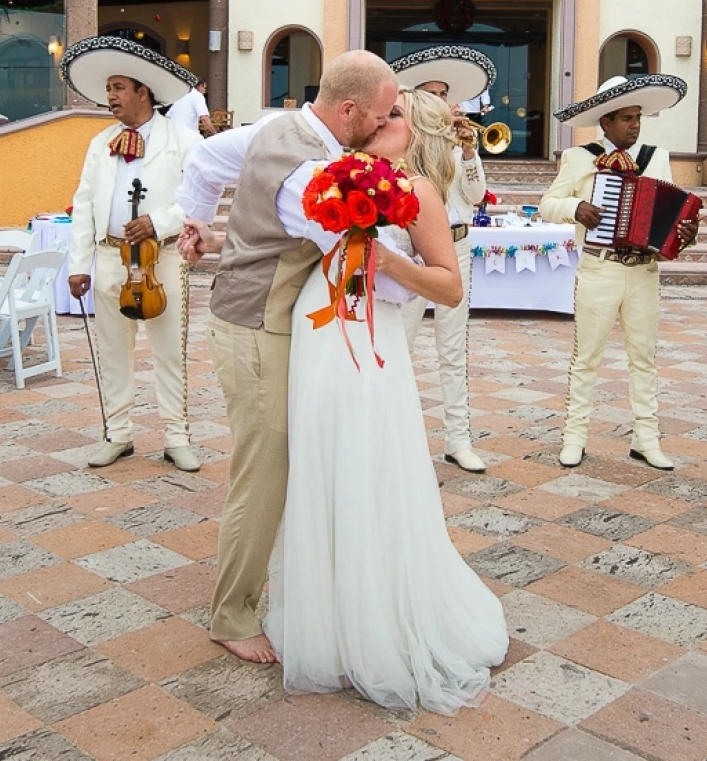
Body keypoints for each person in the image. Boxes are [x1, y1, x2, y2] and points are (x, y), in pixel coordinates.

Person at [266, 85, 508, 712]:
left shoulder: (418, 194)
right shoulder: (331, 175)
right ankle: (328, 618)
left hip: (370, 351)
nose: (380, 121)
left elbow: (450, 288)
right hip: (317, 331)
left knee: (367, 469)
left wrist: (382, 258)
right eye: (378, 111)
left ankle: (379, 622)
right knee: (319, 465)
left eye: (394, 115)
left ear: (418, 132)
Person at [206, 49, 397, 665]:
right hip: (255, 322)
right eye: (382, 116)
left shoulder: (288, 129)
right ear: (348, 111)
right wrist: (430, 275)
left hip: (263, 320)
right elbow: (348, 251)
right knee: (264, 471)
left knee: (275, 463)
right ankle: (231, 614)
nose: (385, 127)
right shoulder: (305, 171)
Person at [539, 74, 698, 471]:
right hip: (599, 267)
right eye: (626, 118)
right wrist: (575, 209)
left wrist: (683, 233)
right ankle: (574, 437)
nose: (635, 125)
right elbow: (547, 203)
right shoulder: (579, 157)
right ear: (605, 122)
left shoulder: (656, 157)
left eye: (638, 117)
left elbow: (670, 212)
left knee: (644, 358)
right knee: (586, 357)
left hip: (644, 271)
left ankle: (647, 438)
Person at [62, 37, 203, 471]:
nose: (111, 97)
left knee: (168, 352)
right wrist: (77, 264)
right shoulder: (100, 141)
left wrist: (158, 222)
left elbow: (197, 200)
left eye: (119, 87)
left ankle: (176, 436)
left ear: (143, 92)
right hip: (109, 258)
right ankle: (117, 434)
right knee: (112, 352)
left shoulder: (182, 139)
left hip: (162, 259)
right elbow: (84, 202)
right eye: (109, 89)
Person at [390, 45, 496, 472]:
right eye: (430, 95)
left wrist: (469, 152)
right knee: (402, 345)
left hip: (459, 245)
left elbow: (474, 195)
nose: (441, 102)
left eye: (444, 94)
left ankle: (458, 440)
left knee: (454, 348)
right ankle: (398, 440)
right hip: (414, 252)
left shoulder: (460, 143)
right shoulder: (405, 148)